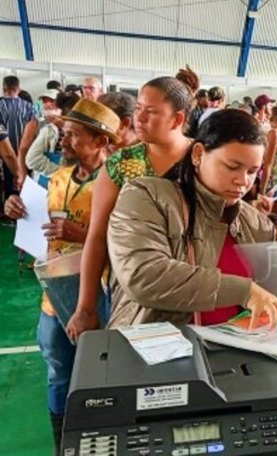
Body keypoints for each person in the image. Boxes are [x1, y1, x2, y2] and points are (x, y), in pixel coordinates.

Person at [4, 98, 119, 453]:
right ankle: (63, 444)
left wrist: (81, 235)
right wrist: (15, 207)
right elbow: (39, 218)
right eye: (64, 133)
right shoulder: (58, 178)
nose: (63, 141)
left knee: (103, 376)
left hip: (101, 296)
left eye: (73, 135)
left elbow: (128, 246)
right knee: (58, 371)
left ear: (101, 142)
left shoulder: (120, 185)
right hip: (54, 296)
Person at [107, 110, 277, 329]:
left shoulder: (257, 224)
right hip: (155, 345)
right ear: (198, 154)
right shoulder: (146, 197)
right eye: (232, 167)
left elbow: (268, 295)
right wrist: (243, 291)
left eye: (252, 171)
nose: (243, 181)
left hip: (235, 347)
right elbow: (143, 276)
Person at [66, 77, 194, 341]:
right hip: (132, 288)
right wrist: (85, 307)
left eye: (151, 111)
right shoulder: (121, 164)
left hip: (193, 284)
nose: (140, 118)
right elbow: (98, 236)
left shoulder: (203, 159)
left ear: (177, 119)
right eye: (138, 109)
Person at [1, 75, 38, 196]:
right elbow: (33, 135)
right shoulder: (30, 108)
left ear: (3, 89)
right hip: (26, 160)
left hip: (5, 161)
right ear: (19, 89)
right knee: (25, 194)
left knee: (9, 196)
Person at [25, 89, 64, 184]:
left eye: (51, 101)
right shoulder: (37, 123)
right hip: (43, 176)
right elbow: (26, 151)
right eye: (44, 101)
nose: (47, 104)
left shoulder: (67, 126)